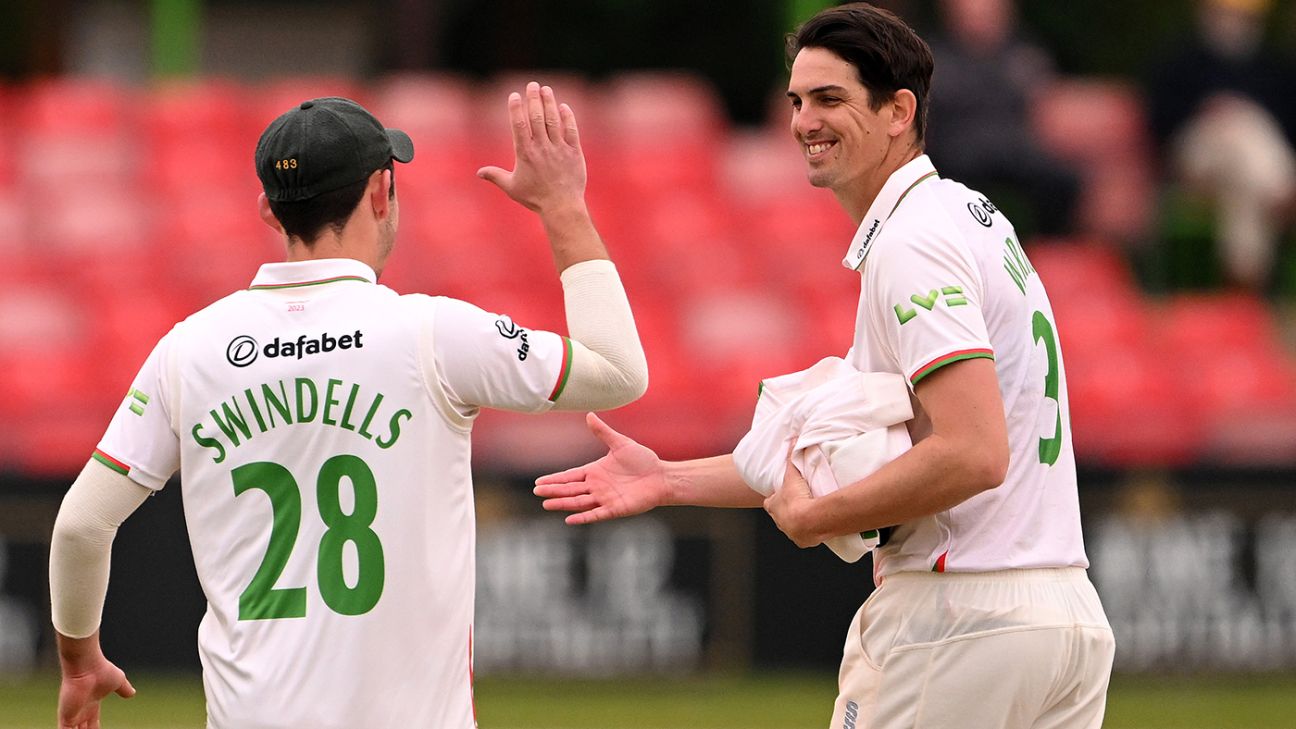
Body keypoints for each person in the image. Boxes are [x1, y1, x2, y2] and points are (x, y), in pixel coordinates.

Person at [535, 5, 1114, 728]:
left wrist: (817, 516)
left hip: (962, 613)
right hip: (1062, 613)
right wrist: (669, 477)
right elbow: (863, 442)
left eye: (831, 99)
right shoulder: (965, 214)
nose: (805, 120)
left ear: (899, 110)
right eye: (798, 101)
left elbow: (973, 451)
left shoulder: (914, 242)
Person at [49, 85, 648, 729]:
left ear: (270, 212)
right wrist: (561, 205)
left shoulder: (188, 348)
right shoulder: (432, 333)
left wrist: (80, 663)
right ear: (381, 193)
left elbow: (81, 528)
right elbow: (618, 371)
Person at [1144, 0, 1296, 291]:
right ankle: (1281, 190)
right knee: (1239, 130)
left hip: (1241, 171)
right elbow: (1160, 123)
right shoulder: (1182, 61)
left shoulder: (1271, 69)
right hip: (1196, 157)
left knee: (1243, 173)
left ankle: (1241, 284)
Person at [923, 0, 1080, 239]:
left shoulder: (1025, 55)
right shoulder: (931, 59)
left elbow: (1045, 105)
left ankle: (1050, 251)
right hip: (957, 152)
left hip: (1017, 148)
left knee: (1062, 181)